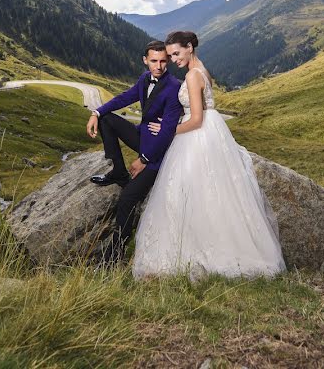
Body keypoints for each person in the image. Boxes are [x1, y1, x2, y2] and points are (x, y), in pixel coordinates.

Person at [132, 30, 286, 280]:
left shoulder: (192, 76)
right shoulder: (203, 69)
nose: (172, 59)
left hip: (199, 135)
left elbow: (195, 120)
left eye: (176, 53)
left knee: (190, 191)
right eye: (170, 55)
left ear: (190, 47)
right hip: (214, 132)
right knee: (216, 193)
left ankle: (196, 249)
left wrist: (166, 130)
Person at [86, 40, 183, 264]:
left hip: (158, 154)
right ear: (145, 60)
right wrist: (96, 113)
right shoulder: (143, 78)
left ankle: (113, 256)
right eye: (153, 61)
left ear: (167, 61)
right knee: (108, 119)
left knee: (128, 197)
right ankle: (118, 171)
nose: (158, 66)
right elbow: (124, 98)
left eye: (163, 61)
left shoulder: (174, 87)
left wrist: (143, 160)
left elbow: (168, 132)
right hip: (144, 137)